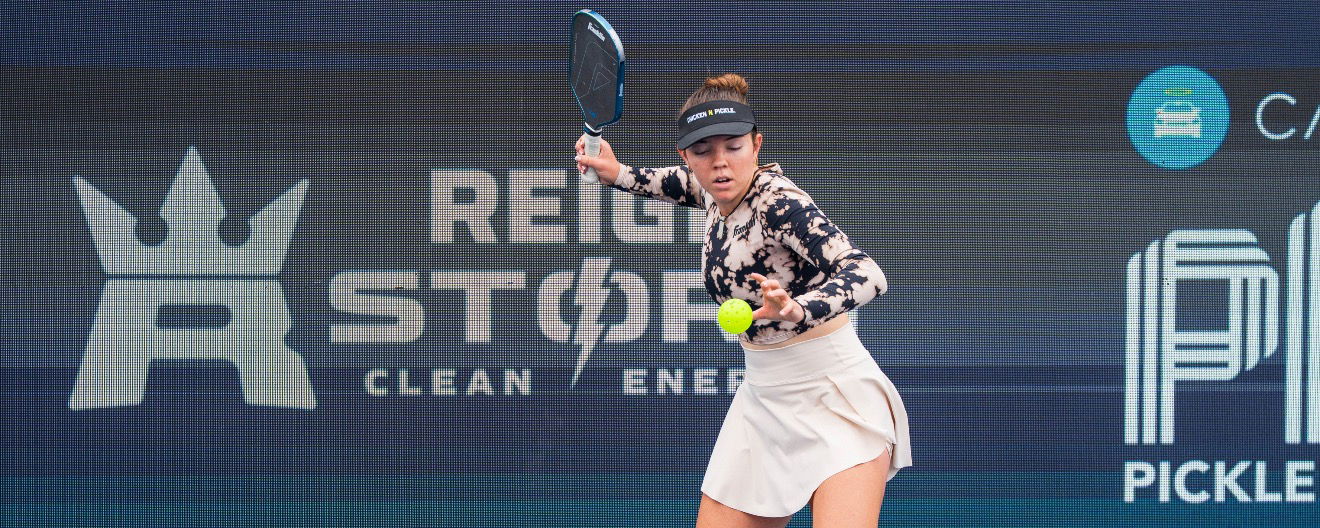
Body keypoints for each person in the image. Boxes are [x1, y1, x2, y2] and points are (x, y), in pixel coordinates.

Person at [575, 73, 911, 528]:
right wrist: (617, 173)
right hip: (764, 400)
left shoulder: (780, 204)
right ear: (687, 156)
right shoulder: (713, 189)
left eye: (733, 147)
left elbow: (868, 273)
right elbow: (678, 184)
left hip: (835, 396)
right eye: (703, 151)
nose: (719, 164)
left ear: (756, 145)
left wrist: (798, 309)